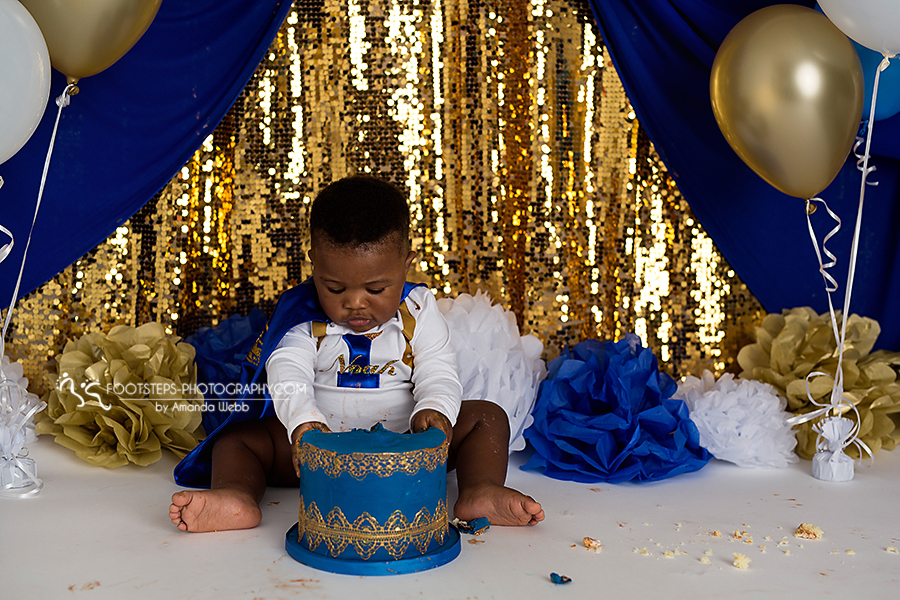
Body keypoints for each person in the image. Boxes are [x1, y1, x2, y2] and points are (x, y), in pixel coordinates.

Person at [169, 175, 544, 533]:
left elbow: (439, 368)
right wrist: (302, 424)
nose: (354, 303)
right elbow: (287, 374)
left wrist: (435, 409)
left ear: (405, 264)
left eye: (377, 288)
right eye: (334, 287)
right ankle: (236, 496)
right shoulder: (303, 316)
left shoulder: (417, 309)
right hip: (320, 448)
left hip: (404, 445)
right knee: (236, 440)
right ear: (314, 263)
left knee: (487, 417)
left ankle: (479, 491)